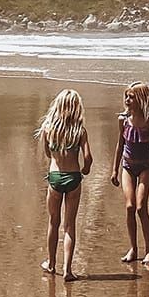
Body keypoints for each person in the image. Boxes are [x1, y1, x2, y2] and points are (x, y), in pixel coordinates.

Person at [109, 81, 149, 264]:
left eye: (132, 97)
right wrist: (114, 169)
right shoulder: (123, 120)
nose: (128, 100)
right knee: (129, 207)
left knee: (140, 207)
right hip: (127, 167)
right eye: (126, 96)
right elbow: (119, 145)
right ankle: (133, 248)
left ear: (141, 99)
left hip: (145, 167)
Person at [37, 89, 92, 281]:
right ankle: (68, 270)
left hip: (55, 176)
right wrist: (85, 170)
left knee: (53, 222)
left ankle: (51, 264)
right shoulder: (80, 131)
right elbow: (88, 157)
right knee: (69, 226)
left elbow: (46, 153)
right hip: (73, 177)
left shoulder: (48, 128)